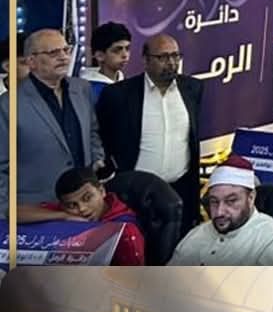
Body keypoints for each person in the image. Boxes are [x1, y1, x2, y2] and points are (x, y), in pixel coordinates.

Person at [97, 34, 204, 226]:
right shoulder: (119, 94)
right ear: (146, 60)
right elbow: (103, 137)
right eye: (162, 57)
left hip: (181, 189)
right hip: (135, 193)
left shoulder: (193, 88)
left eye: (175, 56)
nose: (171, 63)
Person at [2, 29, 104, 215]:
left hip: (85, 202)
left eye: (66, 50)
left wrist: (97, 158)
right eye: (53, 53)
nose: (63, 57)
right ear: (31, 61)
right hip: (38, 207)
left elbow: (92, 130)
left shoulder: (82, 89)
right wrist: (5, 212)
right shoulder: (8, 104)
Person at [170, 156, 273, 266]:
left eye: (231, 201)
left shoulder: (271, 243)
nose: (219, 212)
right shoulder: (197, 234)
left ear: (251, 198)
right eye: (214, 201)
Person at [40, 168, 146, 265]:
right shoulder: (65, 211)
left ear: (102, 191)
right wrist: (63, 215)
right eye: (72, 205)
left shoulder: (125, 231)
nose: (82, 208)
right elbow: (29, 212)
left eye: (87, 198)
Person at [81, 21, 132, 100]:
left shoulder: (129, 83)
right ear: (99, 56)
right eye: (117, 50)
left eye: (127, 48)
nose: (125, 55)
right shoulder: (88, 89)